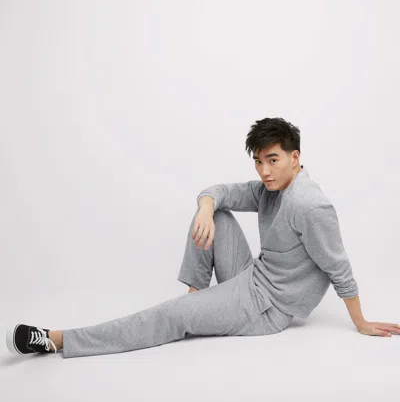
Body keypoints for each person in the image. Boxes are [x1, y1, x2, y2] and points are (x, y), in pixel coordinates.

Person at [6, 117, 400, 358]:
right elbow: (218, 191)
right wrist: (206, 208)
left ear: (295, 157)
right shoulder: (272, 187)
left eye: (273, 160)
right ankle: (198, 301)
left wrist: (361, 322)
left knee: (168, 316)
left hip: (267, 308)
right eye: (259, 162)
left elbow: (338, 266)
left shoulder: (310, 205)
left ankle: (57, 340)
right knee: (215, 214)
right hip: (252, 277)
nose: (264, 171)